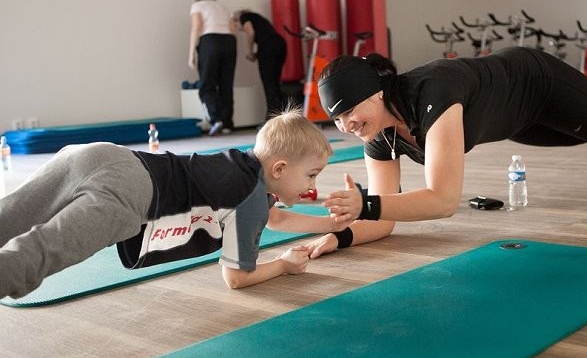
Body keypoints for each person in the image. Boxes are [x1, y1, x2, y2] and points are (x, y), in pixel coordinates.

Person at [304, 47, 587, 256]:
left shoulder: (432, 94)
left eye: (349, 111)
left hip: (535, 82)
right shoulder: (379, 137)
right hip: (514, 119)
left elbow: (442, 199)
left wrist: (367, 204)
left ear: (375, 92)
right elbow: (386, 218)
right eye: (336, 119)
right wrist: (339, 236)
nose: (346, 126)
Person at [0, 109, 346, 300]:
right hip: (131, 193)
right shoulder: (249, 199)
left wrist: (330, 225)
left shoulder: (244, 169)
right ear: (280, 169)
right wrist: (283, 265)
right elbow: (238, 278)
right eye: (311, 175)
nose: (312, 186)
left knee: (8, 219)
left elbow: (276, 220)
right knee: (37, 255)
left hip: (97, 155)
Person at [189, 0, 238, 136]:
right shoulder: (222, 7)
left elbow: (197, 27)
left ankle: (215, 119)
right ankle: (228, 124)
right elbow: (233, 28)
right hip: (229, 42)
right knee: (226, 84)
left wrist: (191, 54)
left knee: (206, 85)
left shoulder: (197, 6)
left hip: (210, 41)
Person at [237, 10, 288, 117]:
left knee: (268, 82)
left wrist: (249, 52)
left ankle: (273, 115)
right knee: (275, 81)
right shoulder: (258, 19)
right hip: (280, 45)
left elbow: (250, 32)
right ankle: (282, 113)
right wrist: (258, 54)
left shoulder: (244, 16)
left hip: (268, 48)